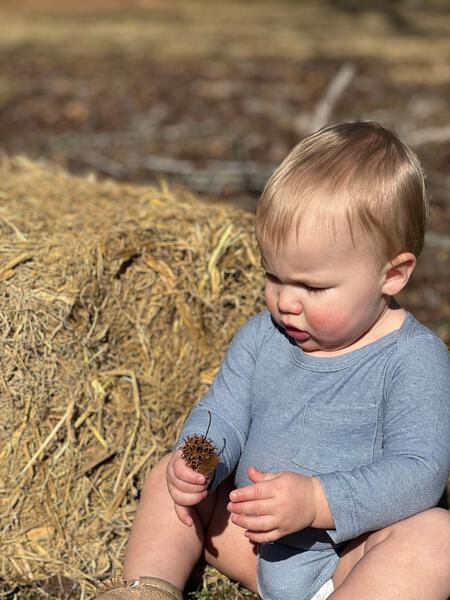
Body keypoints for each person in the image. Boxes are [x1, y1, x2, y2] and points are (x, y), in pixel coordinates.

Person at [96, 122, 450, 600]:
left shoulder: (414, 359)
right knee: (168, 476)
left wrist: (316, 501)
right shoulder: (264, 336)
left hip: (347, 557)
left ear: (393, 274)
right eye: (274, 276)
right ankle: (146, 589)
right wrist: (199, 462)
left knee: (437, 536)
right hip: (250, 538)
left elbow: (418, 471)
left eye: (313, 287)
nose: (285, 301)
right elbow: (223, 412)